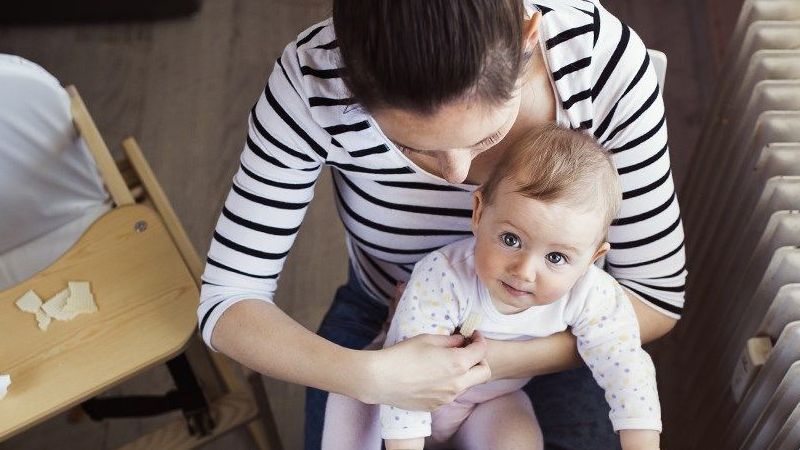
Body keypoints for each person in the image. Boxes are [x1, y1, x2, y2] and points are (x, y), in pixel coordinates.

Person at [198, 1, 686, 449]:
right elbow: (228, 299)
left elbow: (654, 298)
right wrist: (371, 375)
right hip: (383, 320)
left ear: (527, 40)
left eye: (486, 136)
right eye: (412, 147)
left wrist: (487, 359)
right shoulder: (312, 82)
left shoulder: (600, 64)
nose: (457, 176)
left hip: (556, 333)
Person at [376, 125, 660, 450]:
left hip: (488, 404)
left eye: (555, 257)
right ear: (479, 212)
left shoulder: (591, 294)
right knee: (349, 410)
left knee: (517, 438)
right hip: (393, 400)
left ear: (592, 260)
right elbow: (405, 375)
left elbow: (626, 369)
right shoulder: (445, 276)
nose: (524, 272)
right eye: (511, 240)